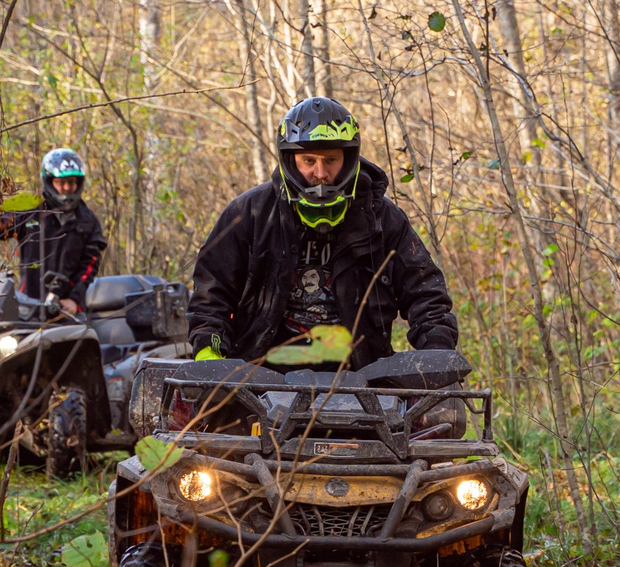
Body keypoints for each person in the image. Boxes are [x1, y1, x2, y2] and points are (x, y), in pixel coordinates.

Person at [189, 97, 457, 368]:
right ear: (291, 161)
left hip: (362, 377)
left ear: (349, 159)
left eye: (331, 159)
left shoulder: (382, 219)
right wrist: (209, 356)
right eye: (309, 160)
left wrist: (436, 353)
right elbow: (211, 295)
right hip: (258, 373)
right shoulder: (249, 214)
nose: (320, 173)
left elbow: (426, 294)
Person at [0, 146, 108, 314]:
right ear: (50, 181)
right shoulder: (29, 209)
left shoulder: (88, 220)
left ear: (78, 183)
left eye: (71, 182)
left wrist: (74, 299)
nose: (66, 187)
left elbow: (90, 265)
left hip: (66, 309)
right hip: (27, 303)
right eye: (61, 182)